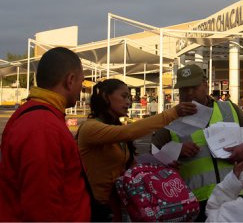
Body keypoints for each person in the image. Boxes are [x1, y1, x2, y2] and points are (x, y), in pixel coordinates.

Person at [152, 64, 243, 221]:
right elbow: (151, 157)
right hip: (195, 201)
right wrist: (175, 151)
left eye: (194, 87)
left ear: (205, 85)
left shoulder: (228, 109)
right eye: (184, 89)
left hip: (233, 194)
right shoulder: (171, 119)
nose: (189, 93)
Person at [76, 78, 197, 221]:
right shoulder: (90, 128)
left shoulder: (116, 129)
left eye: (129, 97)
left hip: (119, 207)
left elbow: (132, 169)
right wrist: (172, 113)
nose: (129, 102)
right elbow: (130, 131)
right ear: (106, 97)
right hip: (95, 209)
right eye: (124, 96)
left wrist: (161, 169)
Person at [0, 47, 90, 221]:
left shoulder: (36, 114)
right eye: (81, 81)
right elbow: (42, 208)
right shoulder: (43, 127)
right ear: (70, 81)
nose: (81, 88)